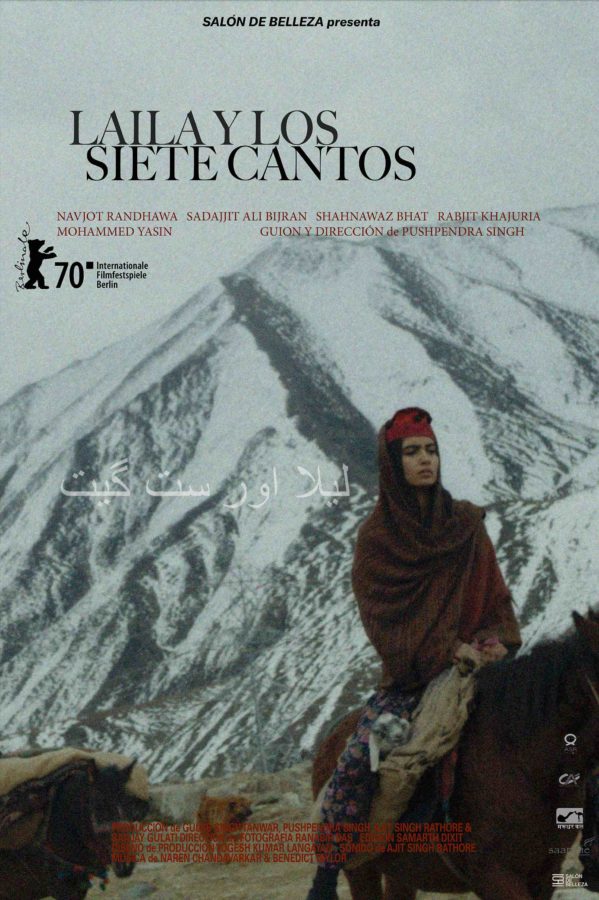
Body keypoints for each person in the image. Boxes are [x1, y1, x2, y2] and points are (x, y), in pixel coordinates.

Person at [306, 407, 522, 900]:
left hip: (483, 668)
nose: (425, 460)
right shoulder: (377, 539)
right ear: (392, 464)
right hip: (413, 681)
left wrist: (494, 641)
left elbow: (496, 599)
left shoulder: (467, 525)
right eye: (412, 452)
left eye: (431, 450)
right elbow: (383, 621)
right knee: (358, 765)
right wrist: (449, 648)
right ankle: (329, 870)